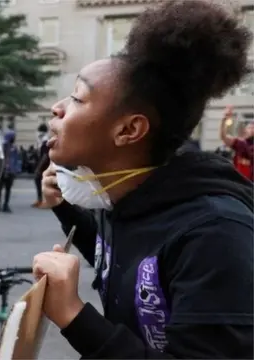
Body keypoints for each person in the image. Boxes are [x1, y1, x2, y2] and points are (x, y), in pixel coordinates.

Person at [32, 1, 253, 358]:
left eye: (77, 96)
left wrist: (73, 315)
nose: (57, 107)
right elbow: (131, 267)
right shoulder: (129, 199)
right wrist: (66, 209)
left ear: (129, 130)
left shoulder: (215, 233)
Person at [220, 106, 254, 180]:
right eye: (249, 127)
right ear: (245, 130)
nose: (251, 130)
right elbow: (224, 137)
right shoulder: (241, 143)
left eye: (253, 128)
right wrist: (224, 120)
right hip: (240, 181)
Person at [0, 130, 21, 213]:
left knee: (8, 189)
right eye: (13, 137)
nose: (14, 138)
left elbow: (16, 159)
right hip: (2, 171)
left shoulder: (14, 147)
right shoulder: (2, 146)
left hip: (11, 171)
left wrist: (16, 170)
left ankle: (5, 205)